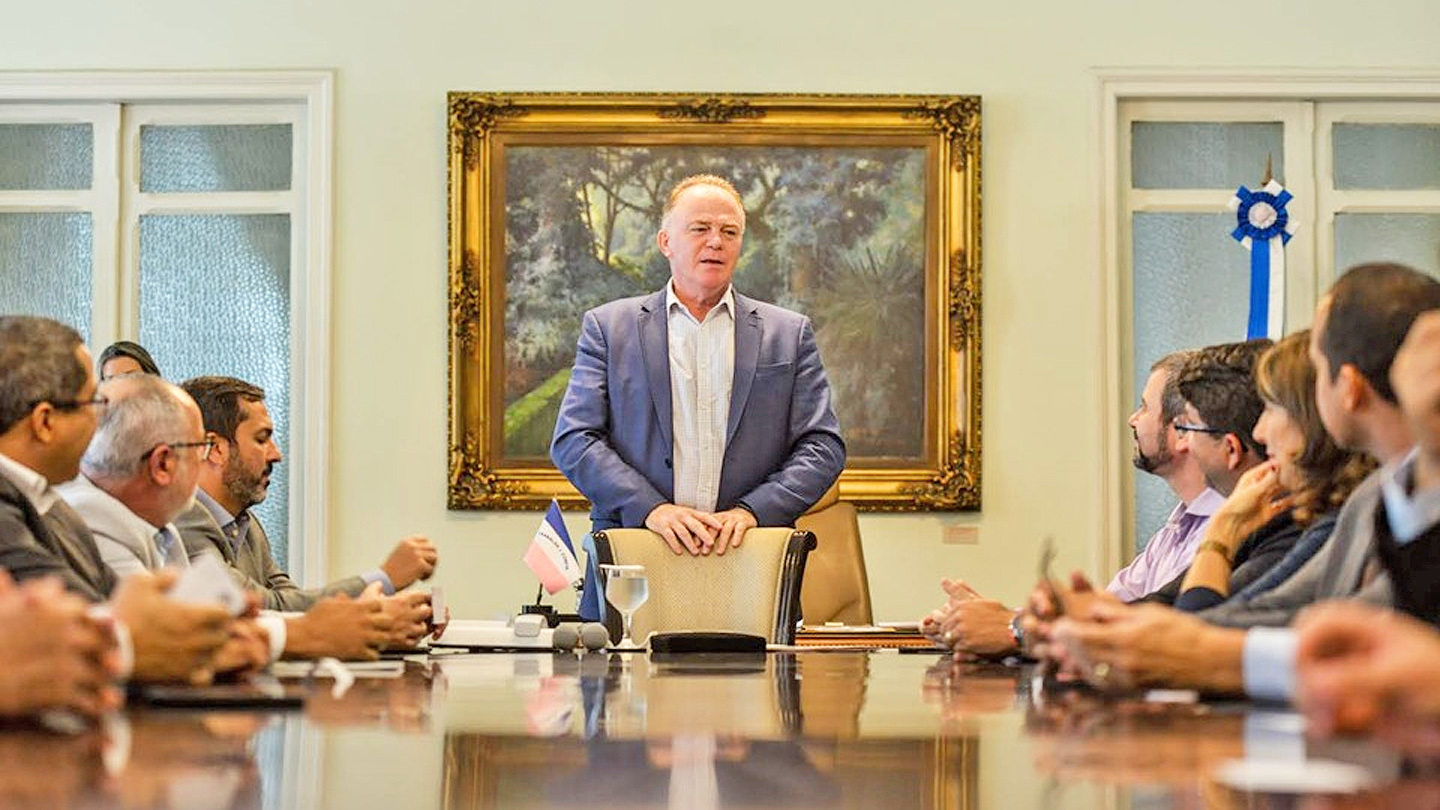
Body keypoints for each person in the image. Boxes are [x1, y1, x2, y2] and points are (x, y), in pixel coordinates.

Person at [1042, 263, 1440, 698]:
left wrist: (1175, 647)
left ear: (1348, 387)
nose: (1260, 432)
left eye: (1315, 364)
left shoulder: (1358, 504)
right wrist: (1115, 630)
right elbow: (1278, 610)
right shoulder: (1373, 497)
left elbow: (1361, 638)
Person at [550, 174, 846, 620]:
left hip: (750, 560)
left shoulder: (788, 334)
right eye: (700, 228)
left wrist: (752, 511)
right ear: (666, 241)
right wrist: (652, 509)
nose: (716, 241)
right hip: (635, 558)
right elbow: (574, 439)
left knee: (762, 671)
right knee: (620, 669)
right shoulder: (609, 328)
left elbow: (823, 447)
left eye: (729, 231)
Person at [920, 348, 1226, 657]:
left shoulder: (1224, 528)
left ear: (1182, 430)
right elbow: (1107, 609)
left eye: (1145, 407)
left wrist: (1009, 627)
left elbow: (1146, 628)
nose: (1133, 419)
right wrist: (986, 621)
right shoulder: (1177, 528)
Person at [0, 315, 231, 684]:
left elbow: (115, 607)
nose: (102, 423)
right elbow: (94, 628)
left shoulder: (52, 505)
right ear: (45, 422)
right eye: (94, 403)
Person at [175, 375, 439, 612]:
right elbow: (266, 608)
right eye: (262, 439)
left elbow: (294, 604)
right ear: (216, 448)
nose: (276, 454)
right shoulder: (183, 520)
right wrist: (386, 578)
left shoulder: (245, 523)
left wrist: (389, 613)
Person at [1170, 331, 1375, 611]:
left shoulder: (1330, 523)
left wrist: (1222, 532)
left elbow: (1198, 624)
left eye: (1270, 408)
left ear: (1308, 421)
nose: (1259, 432)